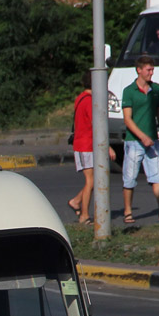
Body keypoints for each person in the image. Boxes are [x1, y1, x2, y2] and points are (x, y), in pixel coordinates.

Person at [121, 55, 159, 224]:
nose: (151, 73)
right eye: (148, 70)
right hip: (134, 141)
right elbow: (127, 119)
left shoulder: (156, 89)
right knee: (130, 178)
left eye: (152, 69)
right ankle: (128, 212)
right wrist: (142, 136)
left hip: (152, 141)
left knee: (157, 176)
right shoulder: (129, 91)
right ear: (139, 70)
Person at [68, 70, 96, 225]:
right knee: (91, 181)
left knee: (92, 180)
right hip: (87, 145)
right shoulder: (90, 101)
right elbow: (96, 124)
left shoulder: (80, 98)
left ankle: (76, 202)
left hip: (80, 143)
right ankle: (84, 215)